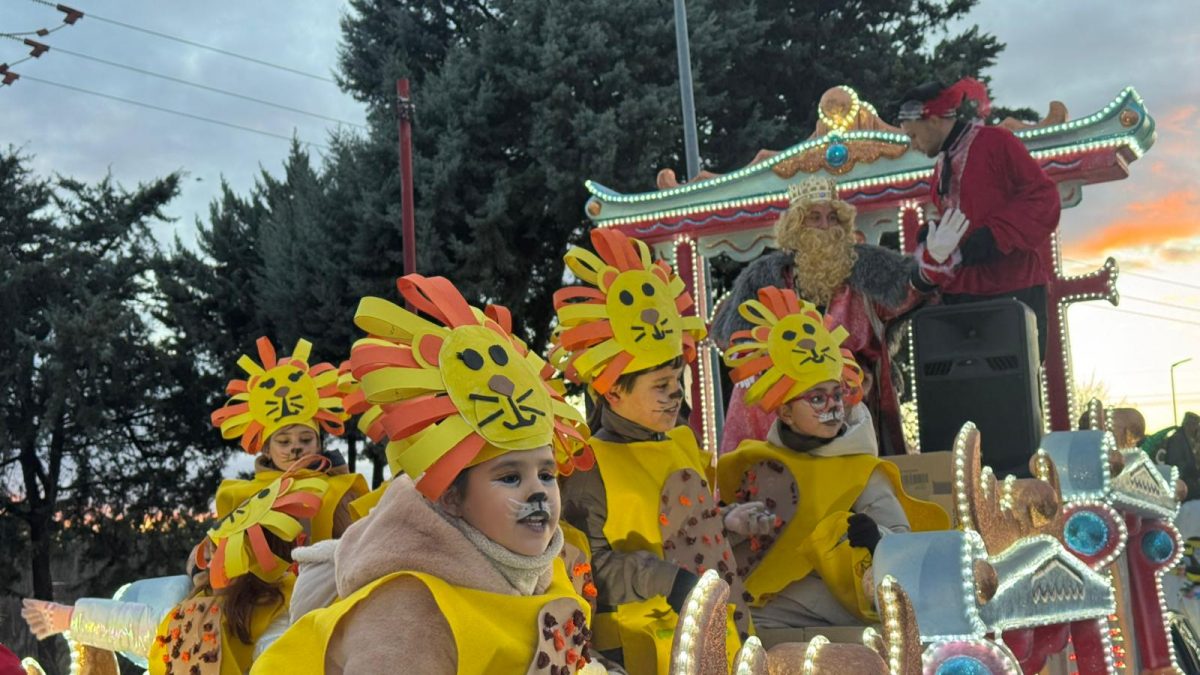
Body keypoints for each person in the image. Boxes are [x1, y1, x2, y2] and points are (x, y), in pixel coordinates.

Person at [252, 274, 606, 674]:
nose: (537, 494)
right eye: (509, 477)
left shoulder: (538, 568)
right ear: (450, 496)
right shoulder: (408, 614)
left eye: (546, 474)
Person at [552, 228, 749, 674]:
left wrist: (730, 522)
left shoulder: (681, 441)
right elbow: (591, 567)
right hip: (640, 649)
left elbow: (689, 532)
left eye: (676, 383)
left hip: (718, 631)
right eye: (660, 386)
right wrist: (669, 582)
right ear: (614, 392)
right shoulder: (588, 465)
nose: (674, 396)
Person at [717, 287, 949, 627]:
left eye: (836, 395)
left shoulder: (861, 469)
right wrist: (733, 521)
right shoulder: (761, 464)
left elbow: (902, 543)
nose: (833, 407)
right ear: (785, 412)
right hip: (767, 605)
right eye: (817, 399)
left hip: (838, 609)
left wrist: (875, 537)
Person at [712, 175, 957, 455]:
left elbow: (905, 293)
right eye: (815, 218)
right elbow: (737, 335)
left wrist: (930, 265)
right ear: (797, 227)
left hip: (851, 390)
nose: (826, 226)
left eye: (832, 218)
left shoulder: (866, 266)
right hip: (788, 393)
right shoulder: (766, 276)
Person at [21, 472, 324, 674]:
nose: (205, 562)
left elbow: (280, 657)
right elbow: (147, 627)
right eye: (210, 551)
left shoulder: (278, 615)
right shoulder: (199, 606)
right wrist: (72, 617)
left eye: (217, 554)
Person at [896, 76, 1062, 359]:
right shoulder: (942, 163)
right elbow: (963, 218)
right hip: (960, 294)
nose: (912, 145)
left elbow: (1044, 198)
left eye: (913, 135)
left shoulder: (996, 141)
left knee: (1011, 390)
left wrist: (995, 236)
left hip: (1011, 289)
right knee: (965, 393)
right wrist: (932, 232)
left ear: (934, 120)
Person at [211, 337, 367, 543]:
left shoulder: (341, 490)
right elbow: (213, 554)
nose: (295, 448)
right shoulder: (244, 496)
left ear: (318, 444)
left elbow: (365, 546)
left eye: (305, 439)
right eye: (284, 442)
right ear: (266, 449)